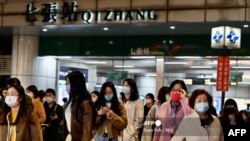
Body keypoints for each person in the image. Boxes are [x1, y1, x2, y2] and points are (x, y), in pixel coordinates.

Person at [64, 71, 95, 141]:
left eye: (68, 83)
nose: (67, 86)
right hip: (70, 137)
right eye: (66, 84)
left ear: (76, 84)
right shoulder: (71, 101)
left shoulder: (85, 103)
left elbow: (87, 130)